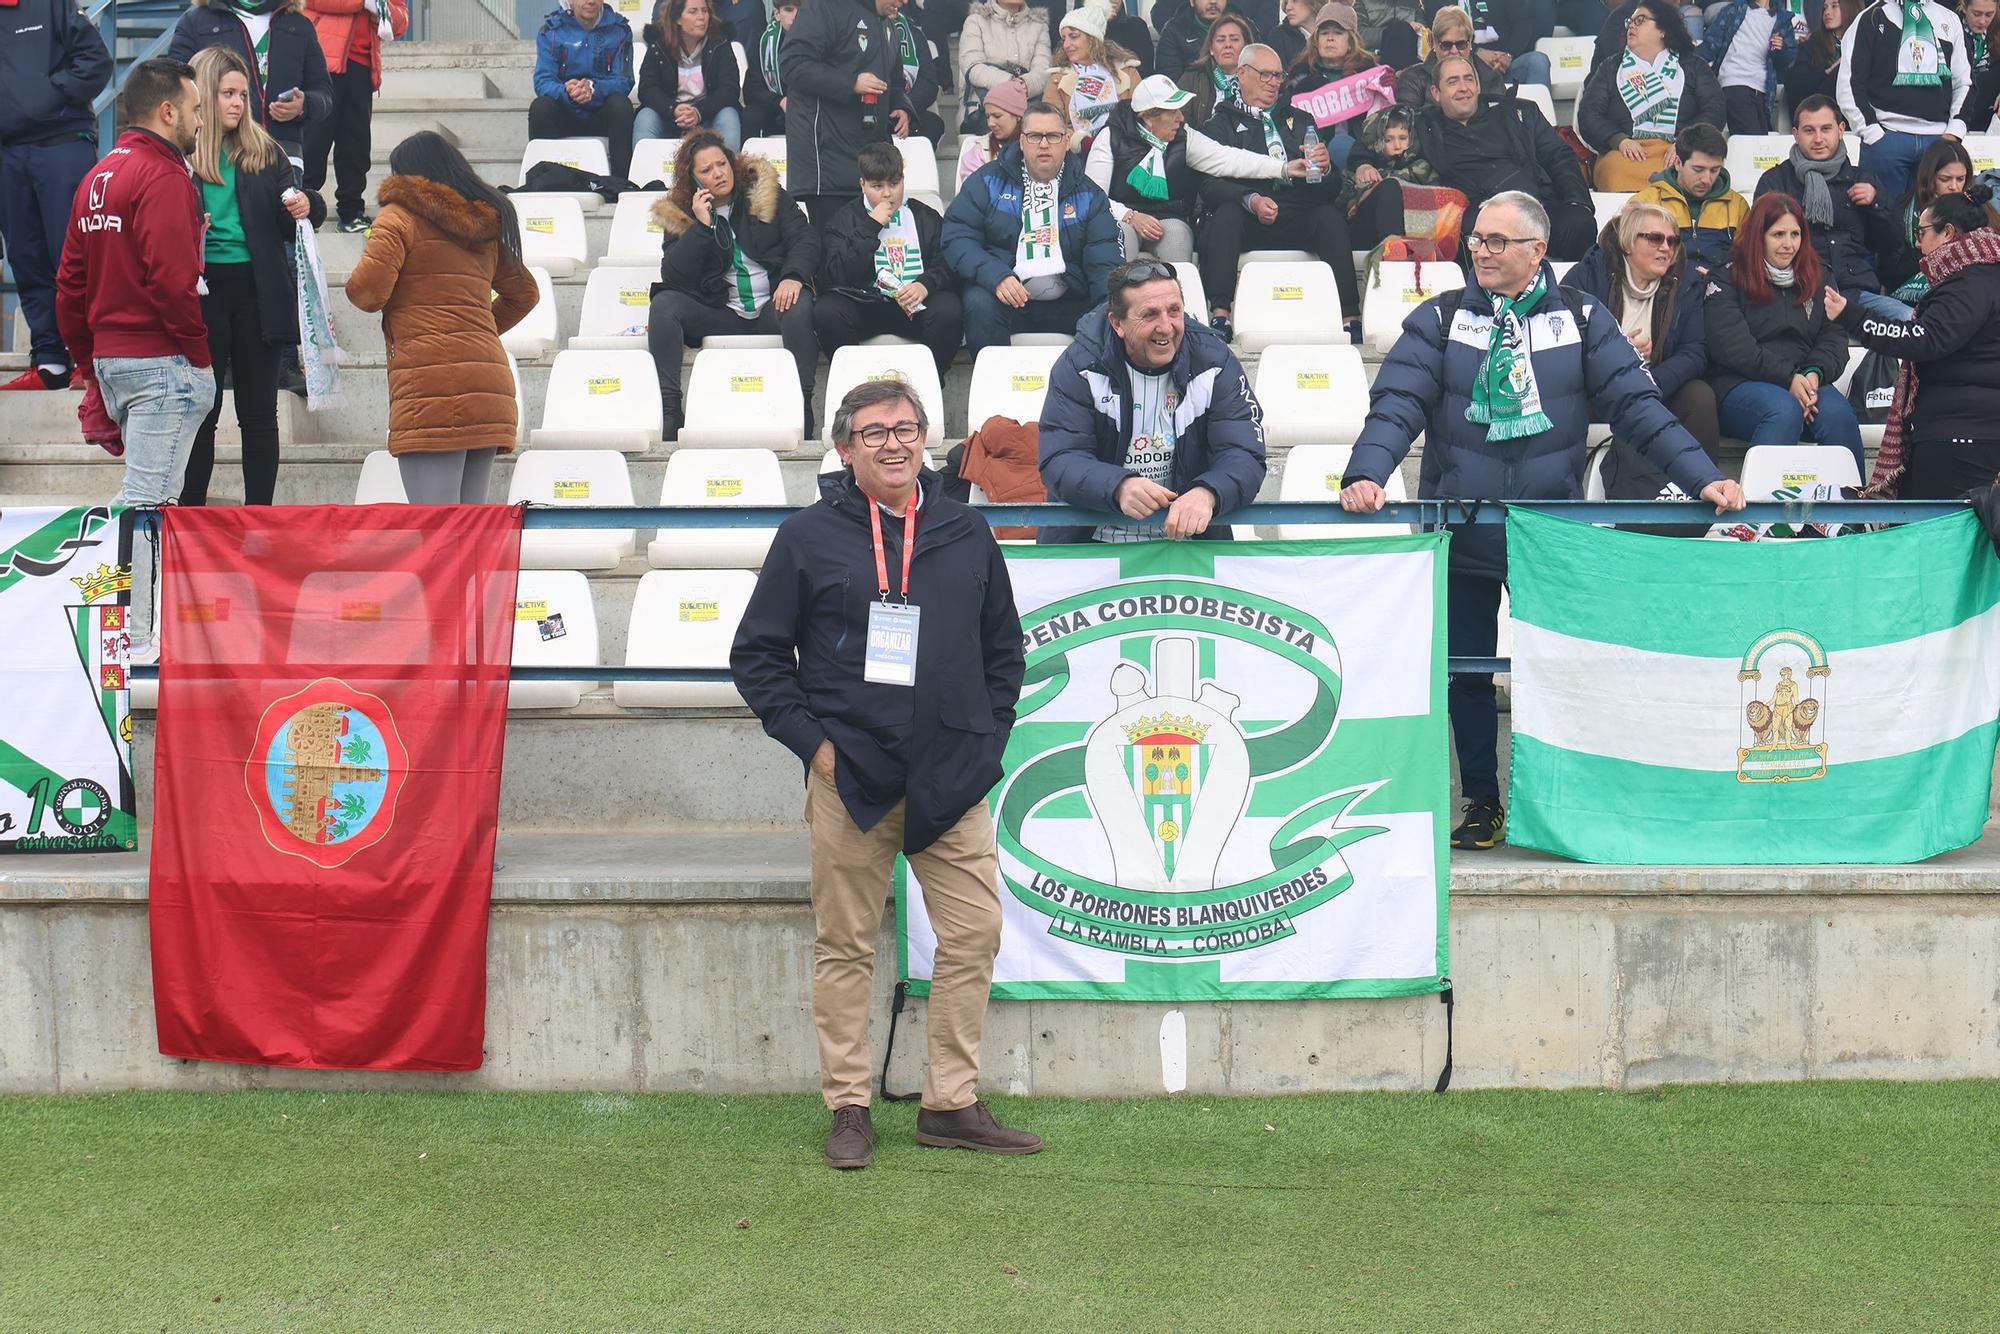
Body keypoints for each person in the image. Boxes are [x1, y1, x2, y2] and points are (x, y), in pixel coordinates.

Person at [1340, 190, 1741, 850]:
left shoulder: (1583, 319)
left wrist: (1704, 475)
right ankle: (1481, 801)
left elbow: (1640, 409)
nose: (1480, 251)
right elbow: (1396, 405)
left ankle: (1564, 800)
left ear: (1534, 251)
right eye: (1476, 239)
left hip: (1549, 538)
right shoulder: (1440, 319)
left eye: (1497, 241)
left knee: (1562, 671)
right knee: (1466, 673)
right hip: (1461, 529)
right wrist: (1366, 471)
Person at [729, 377, 1037, 1172]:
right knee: (846, 947)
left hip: (952, 782)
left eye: (906, 428)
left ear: (924, 438)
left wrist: (984, 743)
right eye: (875, 433)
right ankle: (848, 1107)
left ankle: (950, 1103)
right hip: (850, 780)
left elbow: (1005, 653)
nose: (894, 442)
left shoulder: (967, 532)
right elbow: (758, 658)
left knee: (974, 935)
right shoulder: (806, 537)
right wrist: (817, 749)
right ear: (844, 449)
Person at [344, 131, 539, 502]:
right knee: (468, 535)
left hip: (432, 391)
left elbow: (368, 294)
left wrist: (445, 338)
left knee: (437, 535)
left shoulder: (397, 218)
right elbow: (525, 294)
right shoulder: (483, 226)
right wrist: (471, 334)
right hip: (487, 386)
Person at [55, 58, 215, 510]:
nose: (201, 121)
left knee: (146, 506)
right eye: (196, 109)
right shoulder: (163, 174)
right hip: (160, 360)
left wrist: (90, 361)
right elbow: (169, 281)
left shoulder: (97, 176)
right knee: (145, 509)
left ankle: (122, 581)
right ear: (168, 112)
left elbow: (69, 286)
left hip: (114, 360)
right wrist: (199, 357)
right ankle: (95, 582)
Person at [1037, 259, 1270, 540]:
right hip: (1093, 541)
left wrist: (1208, 492)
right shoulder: (1080, 366)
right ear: (1117, 323)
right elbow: (1060, 458)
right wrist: (1118, 486)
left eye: (1174, 311)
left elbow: (1244, 453)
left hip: (1187, 540)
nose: (1166, 327)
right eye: (1150, 315)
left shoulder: (1215, 362)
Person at [182, 48, 323, 508]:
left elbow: (296, 210)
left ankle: (258, 515)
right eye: (227, 94)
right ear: (203, 95)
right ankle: (192, 513)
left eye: (243, 94)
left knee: (259, 414)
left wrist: (309, 206)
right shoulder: (179, 156)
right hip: (201, 295)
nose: (238, 103)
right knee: (202, 413)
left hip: (259, 292)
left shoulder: (265, 150)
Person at [646, 132, 820, 440]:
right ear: (693, 178)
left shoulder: (765, 194)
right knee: (664, 305)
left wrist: (793, 276)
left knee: (798, 302)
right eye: (706, 170)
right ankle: (670, 409)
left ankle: (801, 402)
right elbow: (674, 276)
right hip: (723, 312)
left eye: (721, 164)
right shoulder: (680, 213)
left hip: (771, 307)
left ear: (732, 164)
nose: (718, 173)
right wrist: (701, 227)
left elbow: (805, 238)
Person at [1826, 191, 2000, 495]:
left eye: (1922, 233)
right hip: (1970, 432)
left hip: (1960, 440)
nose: (1917, 244)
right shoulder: (1985, 275)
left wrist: (1852, 316)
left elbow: (1924, 339)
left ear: (1947, 232)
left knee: (1938, 538)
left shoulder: (1967, 284)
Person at [1203, 43, 1367, 338]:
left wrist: (1326, 169)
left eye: (1278, 76)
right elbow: (1209, 185)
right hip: (1247, 213)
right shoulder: (1220, 123)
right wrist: (1250, 200)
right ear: (1241, 73)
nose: (1273, 83)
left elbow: (1330, 191)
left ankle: (1350, 317)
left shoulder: (1301, 120)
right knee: (1225, 214)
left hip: (1297, 212)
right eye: (1265, 75)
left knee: (1329, 217)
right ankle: (1220, 315)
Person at [942, 101, 1122, 355]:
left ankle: (1081, 389)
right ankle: (995, 388)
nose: (1044, 144)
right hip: (1005, 295)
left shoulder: (1089, 194)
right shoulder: (987, 180)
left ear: (1066, 140)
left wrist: (1110, 306)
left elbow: (1104, 264)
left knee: (1107, 312)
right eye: (1036, 136)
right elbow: (957, 236)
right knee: (978, 301)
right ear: (1022, 141)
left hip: (1069, 298)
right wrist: (996, 276)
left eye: (1053, 136)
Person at [1704, 191, 1864, 473]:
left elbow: (1834, 335)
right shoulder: (1727, 277)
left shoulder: (1819, 276)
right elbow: (1732, 347)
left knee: (1839, 416)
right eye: (1778, 235)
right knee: (1782, 411)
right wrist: (1789, 380)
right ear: (1758, 236)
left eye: (1795, 234)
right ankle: (1760, 515)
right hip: (1739, 384)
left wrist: (1814, 373)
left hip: (1805, 380)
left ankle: (1849, 513)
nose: (1788, 244)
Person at [0, 0, 112, 391]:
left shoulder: (49, 3)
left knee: (75, 253)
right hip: (7, 153)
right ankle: (50, 362)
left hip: (60, 142)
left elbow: (96, 60)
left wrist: (47, 95)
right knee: (25, 256)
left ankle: (92, 357)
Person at [1564, 197, 1721, 469]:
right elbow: (1561, 340)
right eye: (1654, 239)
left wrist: (1648, 384)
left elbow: (1695, 351)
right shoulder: (1587, 275)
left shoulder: (1686, 283)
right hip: (1596, 385)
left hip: (1656, 386)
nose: (1666, 248)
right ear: (1627, 242)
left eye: (1673, 241)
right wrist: (1615, 353)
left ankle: (1706, 489)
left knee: (1700, 396)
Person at [1087, 74, 1306, 263]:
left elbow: (1228, 159)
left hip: (1168, 218)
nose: (1180, 118)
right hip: (1122, 217)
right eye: (1172, 112)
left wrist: (1283, 168)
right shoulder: (1110, 137)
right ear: (1148, 117)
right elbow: (1093, 196)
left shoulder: (1184, 136)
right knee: (1119, 236)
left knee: (1178, 237)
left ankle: (1180, 308)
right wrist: (1130, 216)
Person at [1414, 55, 1597, 258]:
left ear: (1478, 85)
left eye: (1469, 79)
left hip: (1536, 210)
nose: (1463, 87)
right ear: (1436, 93)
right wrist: (1369, 167)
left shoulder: (1519, 113)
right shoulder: (1422, 125)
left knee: (1579, 222)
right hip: (1478, 220)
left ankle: (1573, 288)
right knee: (1472, 231)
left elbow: (1559, 156)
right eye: (1453, 81)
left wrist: (1576, 200)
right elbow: (1381, 140)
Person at [815, 142, 963, 376]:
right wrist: (870, 226)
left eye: (894, 184)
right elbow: (835, 274)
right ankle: (855, 384)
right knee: (826, 312)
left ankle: (929, 382)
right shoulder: (844, 219)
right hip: (866, 305)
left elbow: (949, 262)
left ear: (903, 180)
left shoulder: (925, 216)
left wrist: (925, 285)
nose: (887, 193)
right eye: (877, 186)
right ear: (862, 184)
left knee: (949, 308)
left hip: (915, 306)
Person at [1755, 95, 1900, 296]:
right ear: (1795, 134)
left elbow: (1892, 244)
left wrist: (1877, 202)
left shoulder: (1863, 180)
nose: (1818, 139)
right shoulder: (1775, 181)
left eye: (1825, 129)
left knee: (1905, 317)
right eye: (1809, 130)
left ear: (1840, 130)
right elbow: (1758, 242)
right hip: (1798, 293)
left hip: (1857, 292)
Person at [783, 0, 910, 228]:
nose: (904, 2)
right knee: (835, 252)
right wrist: (850, 83)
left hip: (869, 162)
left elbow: (893, 78)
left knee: (867, 251)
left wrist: (901, 106)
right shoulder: (825, 7)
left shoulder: (888, 24)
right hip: (827, 159)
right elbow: (793, 64)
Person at [1578, 0, 1724, 190]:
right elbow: (1589, 114)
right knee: (1614, 169)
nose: (1631, 25)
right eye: (1629, 22)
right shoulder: (1611, 67)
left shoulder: (1693, 65)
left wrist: (1685, 143)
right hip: (1625, 153)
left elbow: (1715, 110)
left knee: (1691, 169)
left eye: (1640, 20)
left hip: (1677, 150)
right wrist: (1618, 140)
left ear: (1663, 30)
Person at [168, 0, 333, 164]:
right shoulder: (194, 22)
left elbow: (323, 92)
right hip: (219, 155)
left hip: (285, 155)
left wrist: (304, 105)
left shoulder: (300, 25)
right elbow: (177, 87)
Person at [1837, 0, 1971, 199]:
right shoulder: (1871, 17)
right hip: (1886, 138)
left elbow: (1964, 82)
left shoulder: (1950, 19)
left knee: (1936, 224)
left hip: (1938, 140)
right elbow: (1849, 83)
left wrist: (1954, 132)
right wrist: (1872, 133)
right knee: (1883, 224)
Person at [301, 0, 407, 234]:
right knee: (314, 140)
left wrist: (382, 11)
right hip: (323, 61)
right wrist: (363, 2)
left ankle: (351, 212)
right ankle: (304, 207)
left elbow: (401, 20)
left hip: (362, 64)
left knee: (355, 144)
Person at [529, 0, 637, 180]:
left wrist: (593, 88)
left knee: (621, 105)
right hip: (565, 112)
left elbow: (624, 80)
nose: (590, 1)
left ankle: (621, 182)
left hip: (601, 113)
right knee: (541, 107)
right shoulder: (551, 31)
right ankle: (542, 180)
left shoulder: (620, 30)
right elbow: (542, 81)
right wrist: (567, 91)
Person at [1633, 122, 1749, 274]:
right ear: (1678, 163)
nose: (1707, 179)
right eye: (1698, 169)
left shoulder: (1738, 205)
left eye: (1714, 170)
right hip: (1664, 287)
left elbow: (1748, 261)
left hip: (1720, 289)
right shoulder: (1646, 203)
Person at [1280, 4, 1386, 167]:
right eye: (1324, 33)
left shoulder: (1369, 74)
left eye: (1338, 32)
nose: (1330, 38)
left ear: (1350, 41)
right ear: (1316, 41)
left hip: (1360, 156)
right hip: (1310, 156)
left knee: (1341, 144)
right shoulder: (1300, 74)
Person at [635, 0, 743, 150]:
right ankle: (642, 173)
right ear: (678, 18)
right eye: (693, 12)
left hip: (709, 114)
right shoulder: (658, 43)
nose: (701, 17)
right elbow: (648, 88)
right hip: (670, 116)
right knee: (646, 117)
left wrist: (699, 112)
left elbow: (729, 89)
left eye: (704, 11)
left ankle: (731, 169)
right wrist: (673, 109)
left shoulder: (720, 42)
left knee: (729, 116)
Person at [1876, 136, 1976, 296]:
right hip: (1908, 295)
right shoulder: (1902, 208)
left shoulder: (1978, 207)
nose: (1954, 187)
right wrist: (1930, 245)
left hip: (1969, 292)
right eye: (1945, 179)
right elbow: (1887, 274)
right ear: (1929, 177)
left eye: (1960, 179)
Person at [1044, 5, 1142, 148]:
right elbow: (1051, 124)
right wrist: (1079, 141)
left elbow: (1143, 116)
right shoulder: (1057, 78)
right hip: (1075, 154)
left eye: (1073, 36)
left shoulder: (1127, 72)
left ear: (1093, 39)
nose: (1066, 45)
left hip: (1125, 149)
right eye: (1064, 38)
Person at [1699, 0, 1802, 134]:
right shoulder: (1733, 10)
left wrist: (1782, 49)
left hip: (1764, 90)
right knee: (1752, 141)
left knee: (1760, 142)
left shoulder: (1783, 18)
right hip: (1734, 82)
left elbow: (1789, 61)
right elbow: (1710, 45)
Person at [959, 0, 1053, 125]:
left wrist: (1026, 84)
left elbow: (1044, 69)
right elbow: (972, 66)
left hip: (1027, 104)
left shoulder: (1039, 25)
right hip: (984, 108)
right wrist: (1009, 83)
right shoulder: (976, 20)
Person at [1394, 7, 1510, 105]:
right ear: (1432, 43)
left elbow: (1501, 124)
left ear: (1470, 43)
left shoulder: (1490, 78)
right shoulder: (1412, 79)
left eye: (1461, 44)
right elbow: (1406, 125)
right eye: (1446, 45)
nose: (1454, 51)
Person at [1175, 10, 1258, 124]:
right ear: (1211, 49)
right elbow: (1177, 120)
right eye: (1220, 40)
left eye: (1234, 39)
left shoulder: (1260, 78)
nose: (1227, 45)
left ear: (1246, 46)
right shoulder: (1192, 78)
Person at [1783, 0, 1857, 116]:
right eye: (1825, 8)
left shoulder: (1863, 43)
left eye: (1834, 6)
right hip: (1819, 114)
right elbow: (1794, 85)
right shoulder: (1812, 45)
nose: (1827, 12)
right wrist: (1828, 71)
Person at [1460, 0, 1555, 88]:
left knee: (1537, 61)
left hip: (1503, 65)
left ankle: (1536, 106)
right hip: (1464, 65)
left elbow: (1522, 24)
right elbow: (1446, 37)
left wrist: (1508, 55)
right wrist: (1476, 52)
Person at [743, 0, 797, 139]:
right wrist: (779, 101)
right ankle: (748, 160)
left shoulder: (820, 40)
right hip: (774, 107)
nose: (796, 15)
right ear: (777, 14)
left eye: (801, 10)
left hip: (807, 107)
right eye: (789, 10)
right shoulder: (763, 41)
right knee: (751, 115)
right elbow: (751, 89)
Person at [959, 76, 1027, 183]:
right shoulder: (980, 150)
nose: (991, 123)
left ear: (1018, 116)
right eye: (987, 117)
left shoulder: (1038, 145)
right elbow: (973, 192)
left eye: (997, 116)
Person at [1158, 0, 1232, 79]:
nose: (1213, 1)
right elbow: (1168, 80)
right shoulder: (1174, 31)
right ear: (1192, 2)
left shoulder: (1242, 26)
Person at [1962, 0, 2000, 130]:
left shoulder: (1997, 31)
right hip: (1952, 118)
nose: (1982, 21)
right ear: (1964, 7)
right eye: (1977, 14)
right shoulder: (1949, 28)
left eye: (1989, 15)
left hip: (1988, 121)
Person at [1358, 0, 1427, 67]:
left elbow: (1424, 31)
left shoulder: (1413, 2)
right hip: (1376, 57)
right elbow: (1360, 34)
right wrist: (1395, 32)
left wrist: (1419, 29)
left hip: (1412, 56)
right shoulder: (1362, 2)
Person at [1275, 0, 1322, 66]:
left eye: (1295, 1)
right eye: (1286, 2)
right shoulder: (1278, 37)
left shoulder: (1332, 32)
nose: (1288, 7)